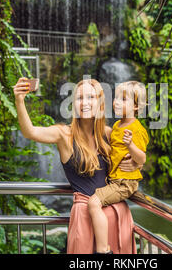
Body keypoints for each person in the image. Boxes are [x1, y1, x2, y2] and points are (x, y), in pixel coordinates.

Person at [13, 77, 141, 254]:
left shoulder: (109, 134)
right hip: (85, 218)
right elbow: (30, 132)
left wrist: (135, 164)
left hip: (116, 214)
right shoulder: (64, 134)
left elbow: (134, 155)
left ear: (100, 103)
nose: (85, 103)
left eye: (91, 97)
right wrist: (19, 100)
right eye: (80, 98)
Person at [88, 81, 149, 254]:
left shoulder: (136, 129)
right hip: (115, 179)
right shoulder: (116, 125)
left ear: (136, 107)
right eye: (116, 97)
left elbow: (141, 157)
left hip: (125, 182)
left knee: (93, 203)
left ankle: (103, 250)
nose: (116, 102)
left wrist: (131, 146)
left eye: (123, 99)